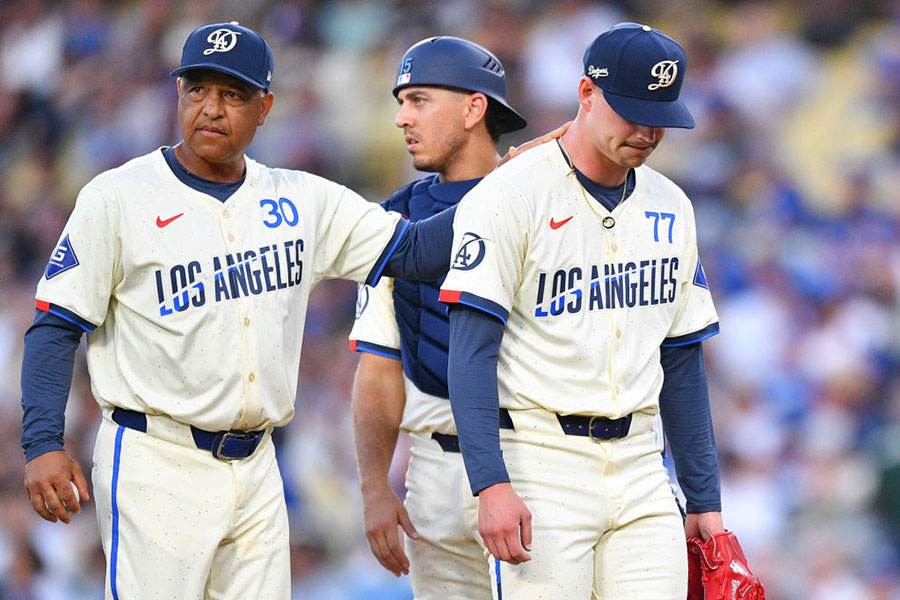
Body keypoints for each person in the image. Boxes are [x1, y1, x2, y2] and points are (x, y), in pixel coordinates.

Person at [19, 21, 455, 599]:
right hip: (157, 458)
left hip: (257, 466)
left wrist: (512, 185)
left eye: (231, 94)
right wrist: (43, 442)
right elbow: (55, 326)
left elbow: (417, 251)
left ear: (265, 106)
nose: (210, 108)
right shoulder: (118, 196)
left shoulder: (299, 199)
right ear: (178, 95)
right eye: (196, 89)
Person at [440, 22, 725, 598]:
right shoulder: (509, 195)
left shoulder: (673, 205)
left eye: (660, 116)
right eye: (631, 111)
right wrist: (489, 484)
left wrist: (705, 499)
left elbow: (682, 361)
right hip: (541, 461)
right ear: (586, 93)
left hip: (643, 468)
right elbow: (469, 353)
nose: (647, 131)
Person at [348, 36, 527, 598]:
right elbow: (379, 369)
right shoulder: (392, 221)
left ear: (475, 109)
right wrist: (375, 487)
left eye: (420, 100)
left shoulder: (544, 199)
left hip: (532, 459)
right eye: (401, 102)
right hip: (433, 472)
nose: (402, 118)